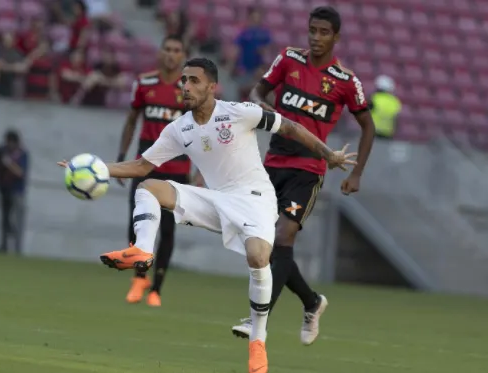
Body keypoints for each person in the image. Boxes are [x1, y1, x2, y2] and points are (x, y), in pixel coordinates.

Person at [58, 57, 357, 373]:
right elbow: (141, 166)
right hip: (215, 200)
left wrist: (328, 155)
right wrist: (100, 170)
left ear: (212, 86)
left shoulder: (239, 112)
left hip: (255, 200)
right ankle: (143, 250)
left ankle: (258, 342)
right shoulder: (180, 128)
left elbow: (291, 127)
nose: (186, 86)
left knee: (258, 257)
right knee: (148, 186)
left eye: (194, 81)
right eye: (184, 81)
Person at [231, 6, 375, 345]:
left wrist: (357, 174)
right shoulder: (288, 60)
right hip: (272, 164)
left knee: (283, 237)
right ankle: (312, 302)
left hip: (308, 170)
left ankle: (257, 320)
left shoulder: (345, 81)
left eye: (325, 32)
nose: (316, 37)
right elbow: (257, 91)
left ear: (336, 37)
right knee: (270, 247)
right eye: (313, 30)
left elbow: (368, 126)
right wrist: (259, 106)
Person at [116, 35, 200, 307]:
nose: (171, 54)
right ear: (160, 52)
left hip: (176, 169)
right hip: (145, 166)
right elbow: (131, 121)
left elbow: (201, 133)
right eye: (167, 49)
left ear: (183, 55)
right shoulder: (144, 82)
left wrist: (201, 172)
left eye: (177, 50)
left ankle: (157, 289)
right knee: (137, 222)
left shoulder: (189, 90)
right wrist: (121, 158)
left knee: (167, 229)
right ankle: (140, 277)